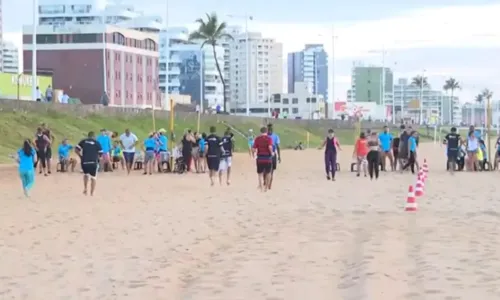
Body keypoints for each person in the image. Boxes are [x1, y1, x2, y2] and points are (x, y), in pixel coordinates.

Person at [75, 131, 103, 196]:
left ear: (88, 136)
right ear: (93, 136)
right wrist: (97, 158)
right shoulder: (97, 143)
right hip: (93, 162)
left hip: (84, 162)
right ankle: (92, 193)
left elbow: (76, 150)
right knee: (93, 177)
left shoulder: (83, 141)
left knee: (86, 174)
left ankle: (85, 188)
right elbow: (101, 153)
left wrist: (81, 156)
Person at [253, 126, 273, 191]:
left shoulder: (257, 139)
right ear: (266, 131)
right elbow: (270, 147)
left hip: (260, 158)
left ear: (260, 131)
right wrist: (272, 152)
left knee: (260, 174)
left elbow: (253, 148)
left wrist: (254, 153)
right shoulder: (269, 138)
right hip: (267, 158)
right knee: (268, 172)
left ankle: (261, 186)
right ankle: (266, 187)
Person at [267, 124, 281, 190]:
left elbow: (278, 147)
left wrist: (279, 156)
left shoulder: (276, 136)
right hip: (266, 154)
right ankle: (266, 181)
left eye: (271, 129)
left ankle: (269, 184)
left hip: (272, 154)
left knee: (271, 170)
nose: (270, 130)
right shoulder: (265, 136)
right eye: (269, 129)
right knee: (267, 170)